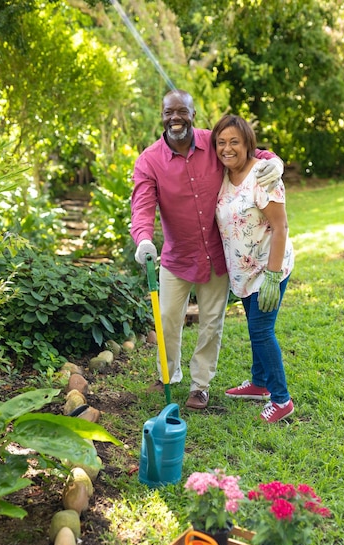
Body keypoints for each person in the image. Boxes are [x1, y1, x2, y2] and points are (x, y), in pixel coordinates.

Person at [130, 90, 284, 410]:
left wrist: (275, 162)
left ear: (193, 113)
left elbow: (250, 152)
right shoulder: (149, 161)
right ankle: (167, 376)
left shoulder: (213, 144)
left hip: (217, 255)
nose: (176, 118)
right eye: (169, 112)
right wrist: (144, 239)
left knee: (211, 323)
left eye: (182, 112)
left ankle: (200, 386)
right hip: (177, 256)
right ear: (161, 116)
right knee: (168, 319)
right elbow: (142, 208)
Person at [211, 114, 294, 423]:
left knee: (261, 331)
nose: (227, 148)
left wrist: (272, 278)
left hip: (268, 268)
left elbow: (280, 226)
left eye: (234, 141)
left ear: (248, 144)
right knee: (254, 327)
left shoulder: (262, 175)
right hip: (243, 272)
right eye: (221, 142)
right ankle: (259, 383)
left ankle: (281, 399)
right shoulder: (222, 175)